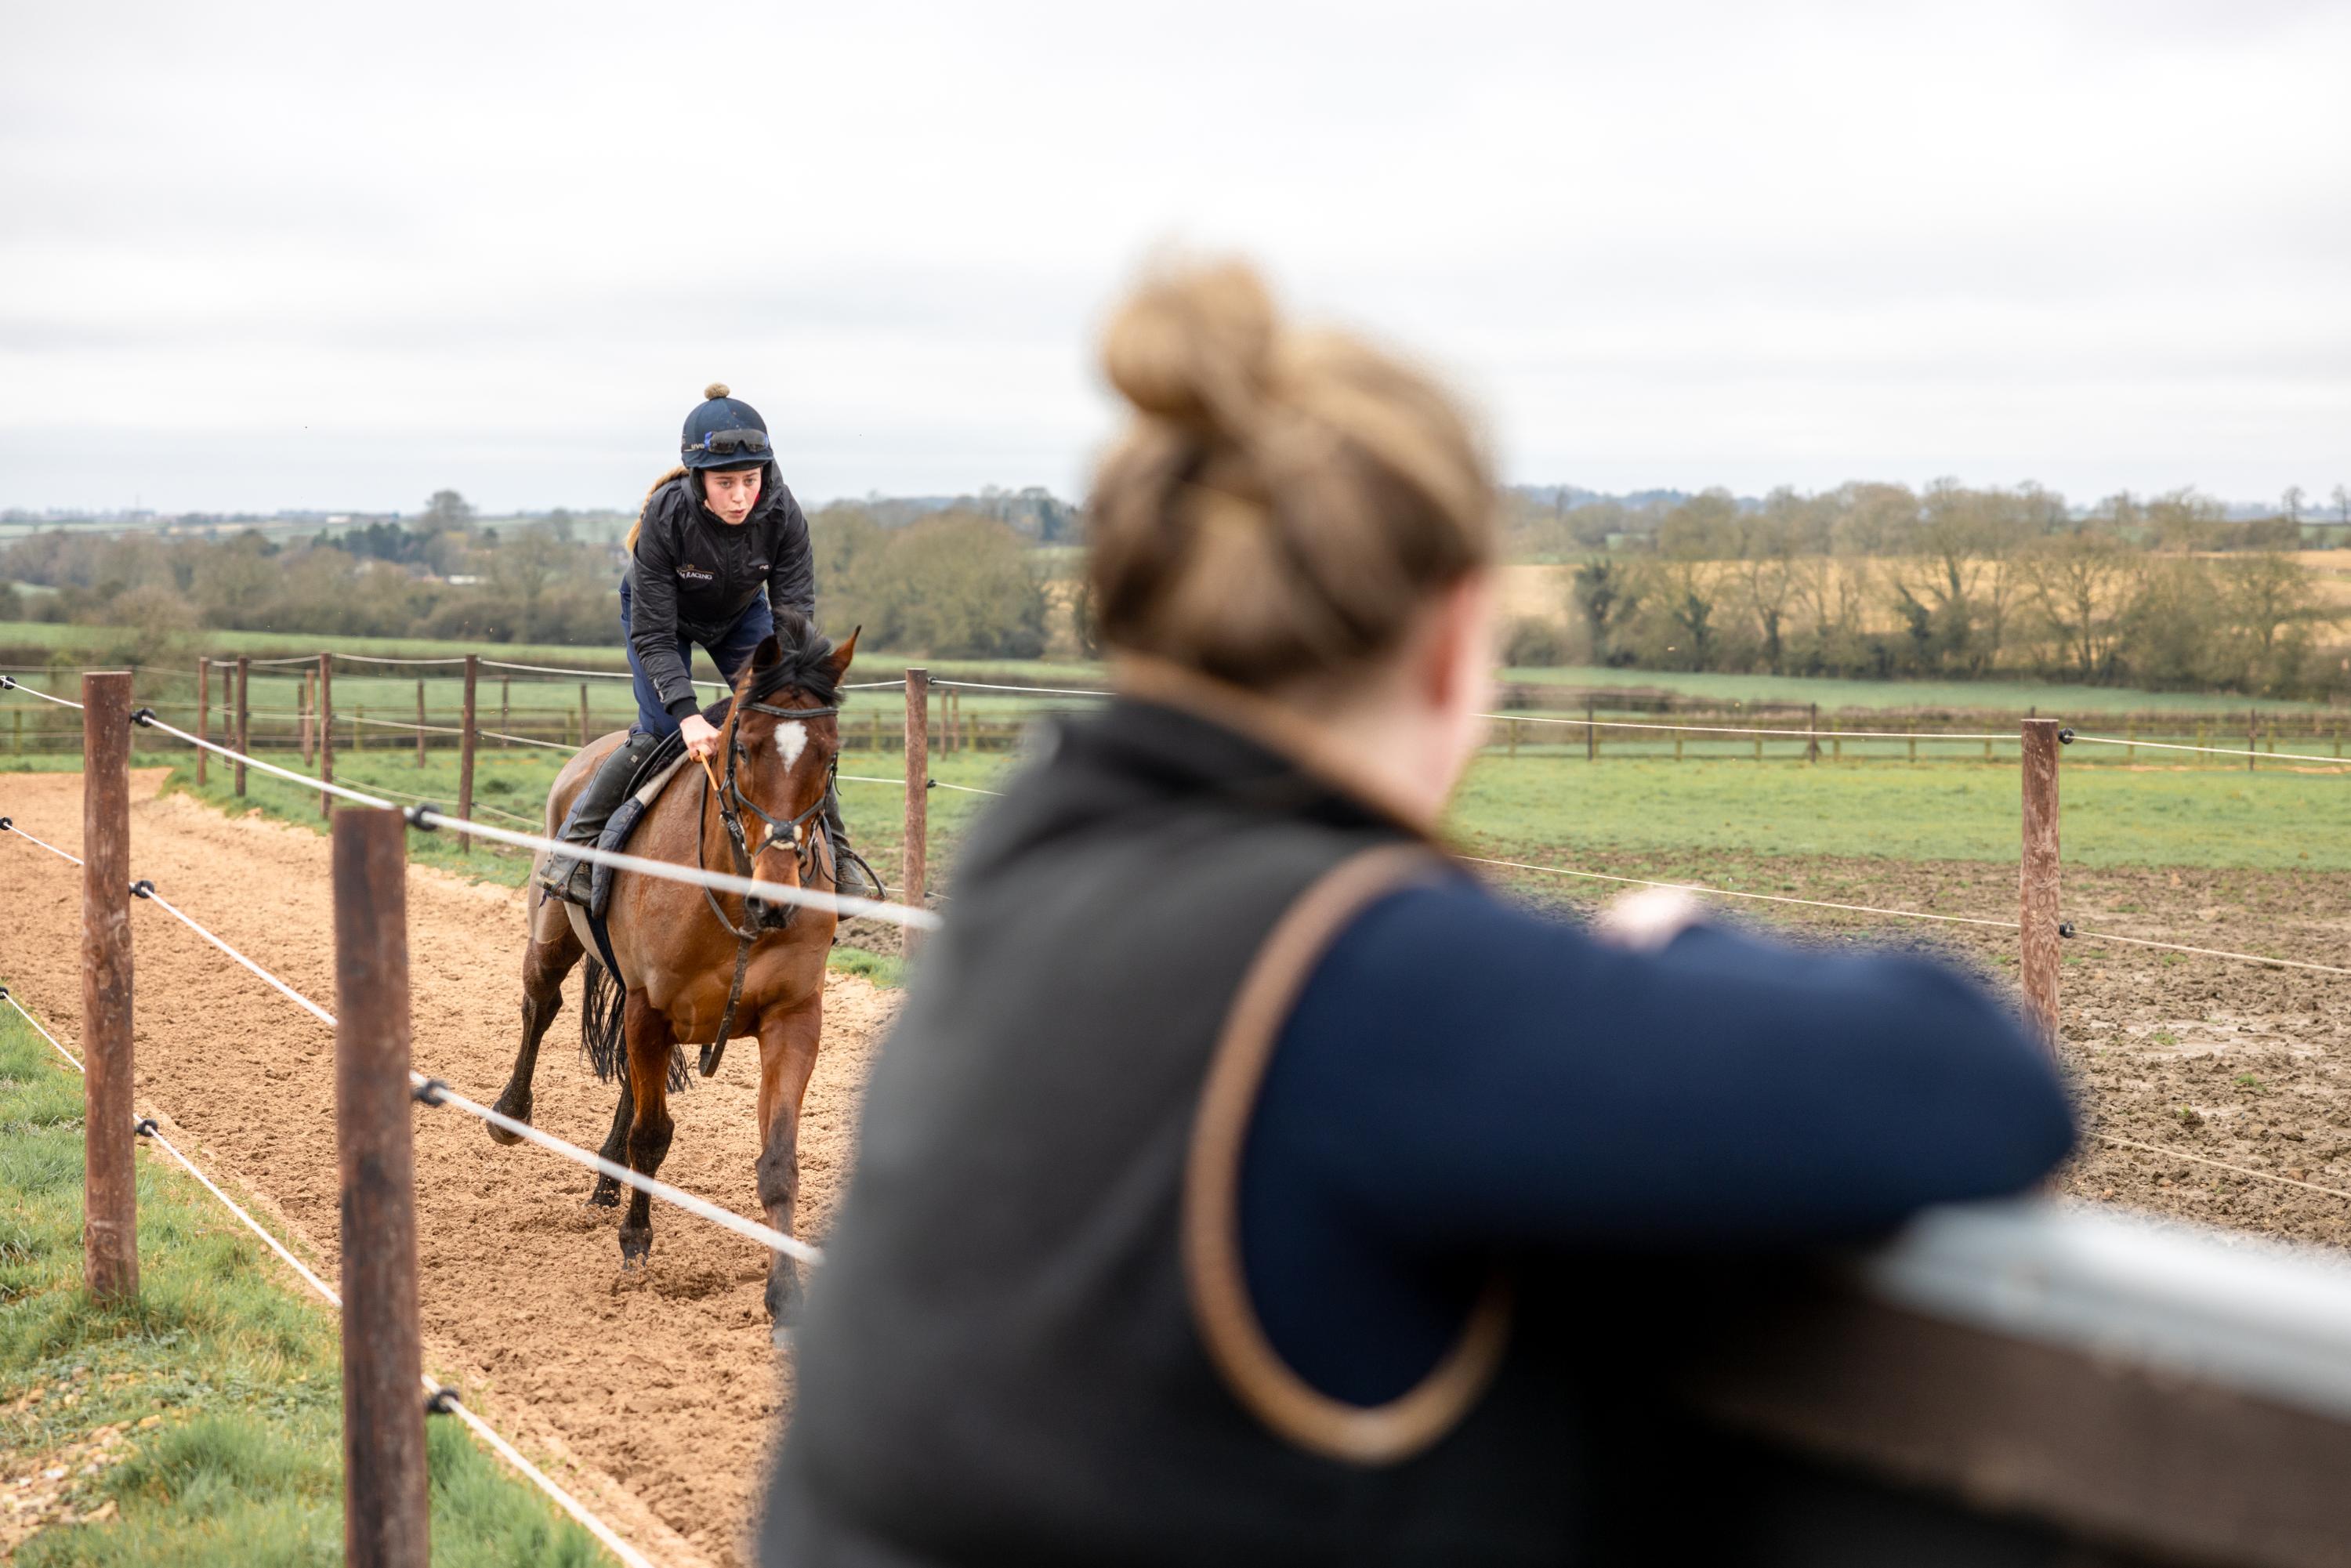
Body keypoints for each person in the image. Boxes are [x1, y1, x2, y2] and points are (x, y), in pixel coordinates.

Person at [763, 266, 2076, 1565]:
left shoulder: (1029, 864)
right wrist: (1681, 944)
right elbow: (1982, 1082)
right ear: (1456, 640)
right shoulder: (1357, 970)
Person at [539, 382, 880, 906]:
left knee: (793, 725)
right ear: (699, 478)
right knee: (657, 732)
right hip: (662, 620)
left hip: (740, 616)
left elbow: (793, 619)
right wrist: (688, 714)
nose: (741, 496)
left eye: (751, 479)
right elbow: (653, 634)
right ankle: (577, 848)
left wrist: (791, 688)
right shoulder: (665, 516)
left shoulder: (785, 514)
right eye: (726, 483)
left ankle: (839, 850)